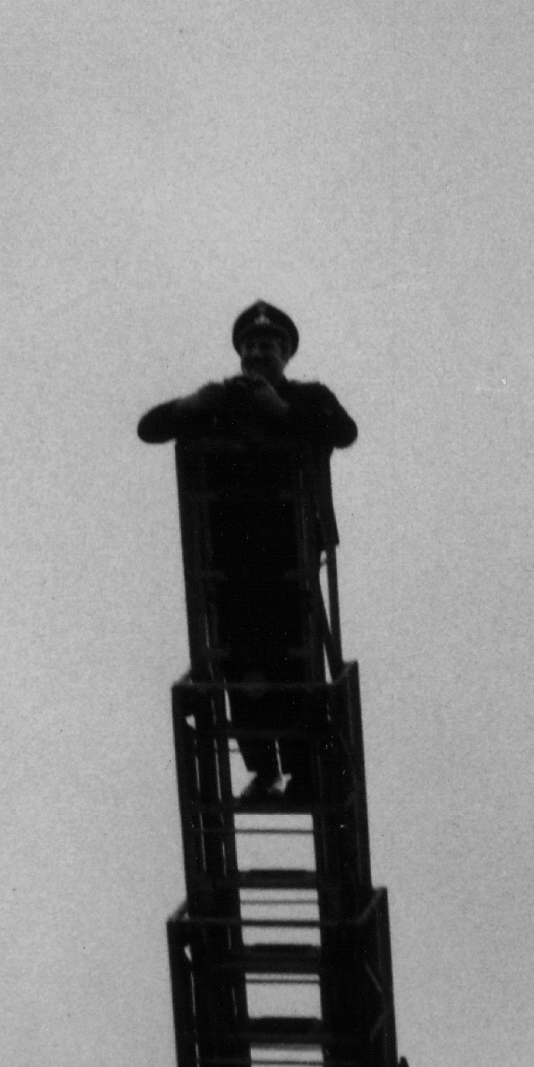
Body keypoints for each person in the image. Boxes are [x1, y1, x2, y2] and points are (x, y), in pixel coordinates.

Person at [138, 304, 357, 798]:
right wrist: (191, 404)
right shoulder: (222, 400)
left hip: (288, 555)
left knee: (294, 668)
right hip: (228, 558)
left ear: (286, 354)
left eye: (270, 346)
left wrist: (280, 411)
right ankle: (263, 771)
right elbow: (150, 428)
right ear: (240, 352)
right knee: (240, 669)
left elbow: (343, 432)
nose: (259, 353)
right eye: (252, 346)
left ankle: (304, 771)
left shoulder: (309, 397)